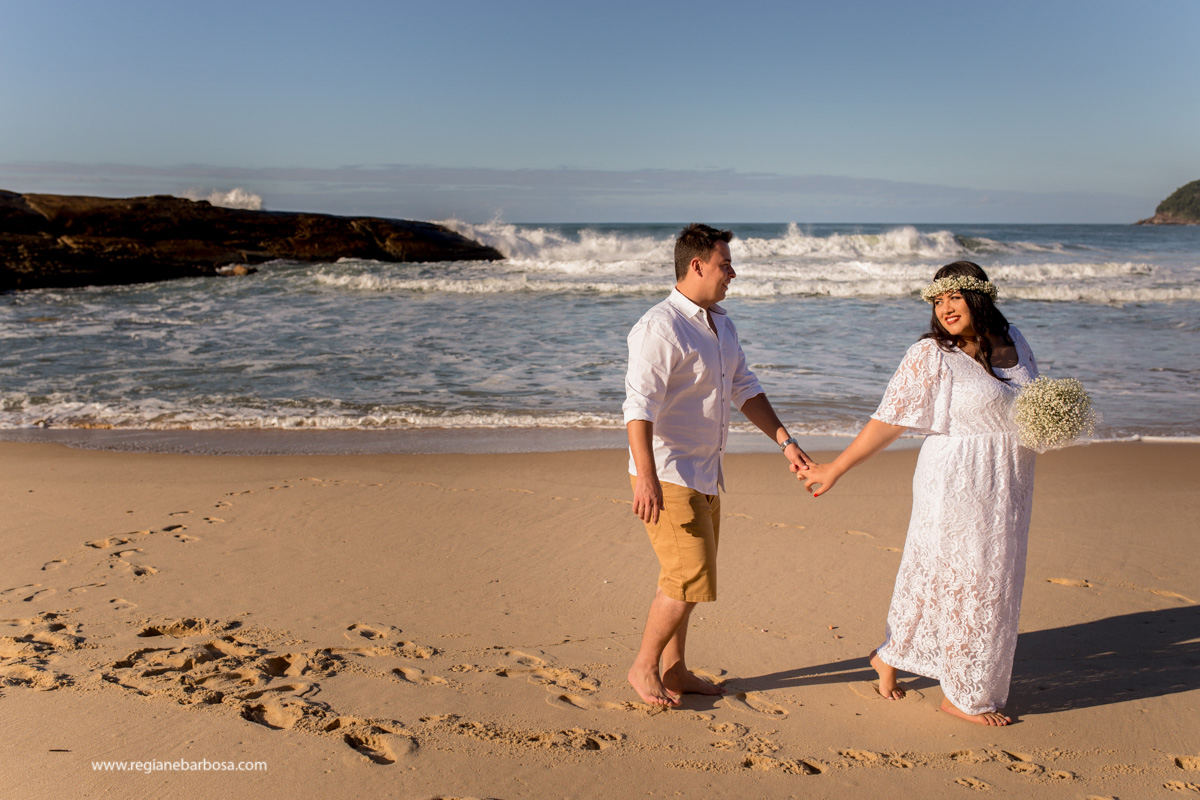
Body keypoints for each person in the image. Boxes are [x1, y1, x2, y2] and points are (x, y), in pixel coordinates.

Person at [798, 261, 1038, 726]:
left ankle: (889, 656)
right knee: (970, 578)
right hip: (957, 479)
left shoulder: (1014, 340)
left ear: (978, 297)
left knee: (984, 575)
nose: (945, 308)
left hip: (1008, 478)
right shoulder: (931, 353)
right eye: (938, 300)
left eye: (954, 297)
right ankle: (962, 694)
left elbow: (1029, 404)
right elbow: (890, 419)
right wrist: (836, 468)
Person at [623, 223, 813, 707]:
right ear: (697, 266)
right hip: (668, 473)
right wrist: (646, 479)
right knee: (688, 576)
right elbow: (638, 407)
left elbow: (745, 388)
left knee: (686, 579)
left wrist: (785, 441)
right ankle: (643, 666)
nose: (733, 273)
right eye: (725, 265)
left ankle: (675, 670)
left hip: (706, 472)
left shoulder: (721, 325)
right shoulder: (660, 326)